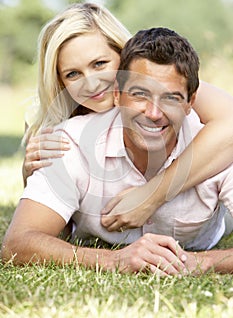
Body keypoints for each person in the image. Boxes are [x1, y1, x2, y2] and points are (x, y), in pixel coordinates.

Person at [2, 27, 233, 274]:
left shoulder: (215, 145)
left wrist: (202, 262)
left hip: (211, 229)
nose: (154, 114)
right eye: (140, 94)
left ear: (191, 103)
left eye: (171, 98)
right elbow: (16, 244)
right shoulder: (67, 143)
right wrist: (114, 260)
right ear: (117, 94)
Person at [22, 3, 233, 231]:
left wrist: (152, 195)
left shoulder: (164, 82)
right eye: (73, 74)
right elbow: (54, 231)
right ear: (60, 81)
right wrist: (29, 175)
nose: (92, 84)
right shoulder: (60, 130)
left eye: (100, 64)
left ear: (122, 54)